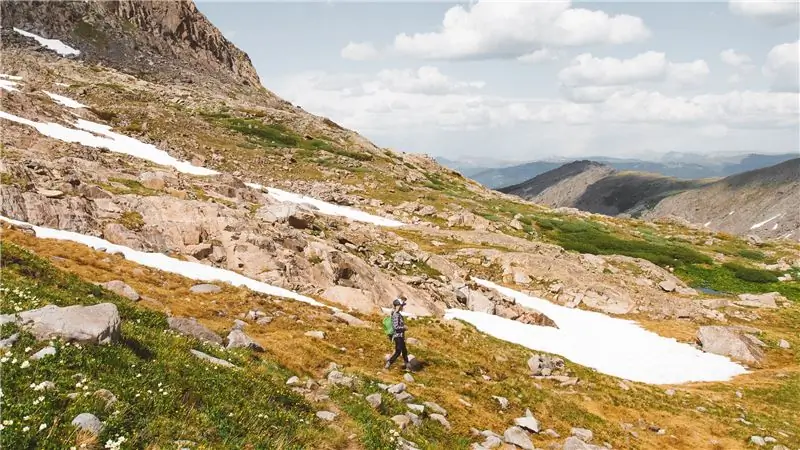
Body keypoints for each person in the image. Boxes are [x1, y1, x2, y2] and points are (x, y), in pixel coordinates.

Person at [384, 297, 409, 370]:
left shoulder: (398, 314)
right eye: (402, 306)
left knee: (404, 351)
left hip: (400, 336)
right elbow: (396, 327)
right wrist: (404, 328)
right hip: (397, 336)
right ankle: (388, 364)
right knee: (398, 351)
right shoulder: (396, 315)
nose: (402, 307)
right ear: (398, 306)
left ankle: (407, 366)